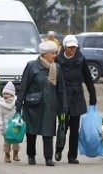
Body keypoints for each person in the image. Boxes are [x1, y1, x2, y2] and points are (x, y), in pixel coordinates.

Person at [15, 40, 66, 166]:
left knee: (48, 131)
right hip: (33, 105)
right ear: (44, 54)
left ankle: (48, 157)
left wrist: (64, 106)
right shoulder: (32, 66)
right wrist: (19, 104)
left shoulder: (57, 68)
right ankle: (31, 155)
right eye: (52, 53)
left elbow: (61, 90)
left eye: (55, 53)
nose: (55, 56)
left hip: (50, 105)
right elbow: (24, 86)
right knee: (31, 132)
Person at [54, 35, 96, 164]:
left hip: (76, 96)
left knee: (74, 128)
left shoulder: (81, 59)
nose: (72, 50)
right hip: (63, 96)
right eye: (70, 47)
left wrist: (92, 96)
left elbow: (88, 78)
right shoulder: (57, 59)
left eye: (74, 47)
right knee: (62, 125)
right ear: (65, 47)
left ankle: (72, 155)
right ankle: (58, 149)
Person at [0, 81, 21, 163]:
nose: (5, 95)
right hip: (6, 127)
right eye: (4, 93)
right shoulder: (0, 104)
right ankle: (7, 155)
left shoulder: (16, 103)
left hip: (15, 126)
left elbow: (20, 112)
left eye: (8, 93)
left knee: (16, 141)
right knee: (7, 142)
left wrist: (21, 120)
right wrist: (0, 125)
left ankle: (16, 154)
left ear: (12, 95)